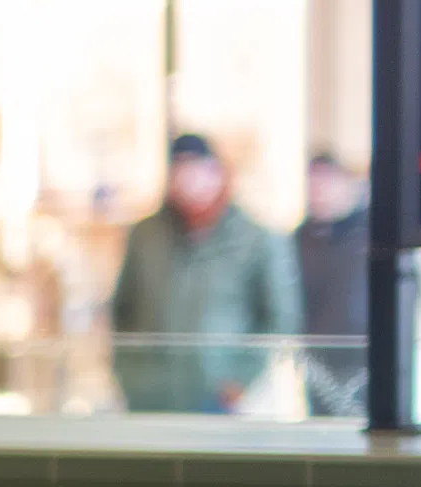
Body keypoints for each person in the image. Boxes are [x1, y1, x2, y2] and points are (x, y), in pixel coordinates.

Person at [110, 132, 300, 413]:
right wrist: (129, 377)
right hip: (151, 395)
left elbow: (280, 318)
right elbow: (122, 311)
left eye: (197, 169)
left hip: (219, 395)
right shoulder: (146, 235)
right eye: (180, 170)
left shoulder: (255, 239)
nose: (189, 180)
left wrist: (240, 381)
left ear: (219, 173)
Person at [296, 152, 372, 417]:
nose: (319, 192)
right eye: (313, 184)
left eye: (326, 182)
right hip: (317, 364)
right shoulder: (299, 240)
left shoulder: (371, 235)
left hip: (366, 361)